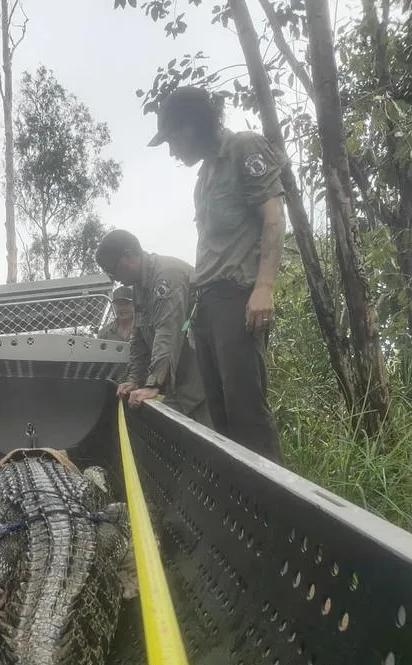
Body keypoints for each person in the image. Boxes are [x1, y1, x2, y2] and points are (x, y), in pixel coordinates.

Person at [149, 86, 285, 462]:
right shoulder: (204, 176)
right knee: (220, 417)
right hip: (206, 305)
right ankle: (238, 507)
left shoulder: (244, 148)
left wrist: (264, 287)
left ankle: (272, 512)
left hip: (236, 297)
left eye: (173, 141)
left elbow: (273, 218)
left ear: (190, 128)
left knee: (247, 413)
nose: (174, 152)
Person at [95, 229, 209, 424]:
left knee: (211, 438)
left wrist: (153, 384)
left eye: (113, 269)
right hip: (178, 383)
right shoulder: (140, 288)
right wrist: (134, 379)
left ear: (128, 253)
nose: (114, 278)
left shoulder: (166, 276)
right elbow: (139, 337)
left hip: (200, 380)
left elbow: (168, 330)